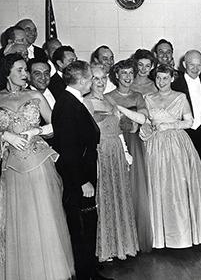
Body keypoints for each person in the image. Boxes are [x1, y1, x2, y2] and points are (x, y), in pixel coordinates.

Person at [117, 64, 201, 248]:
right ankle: (160, 235)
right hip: (155, 146)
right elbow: (145, 121)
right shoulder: (148, 98)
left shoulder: (180, 97)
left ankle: (182, 234)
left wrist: (170, 126)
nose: (161, 82)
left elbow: (190, 122)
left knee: (179, 186)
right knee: (157, 186)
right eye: (158, 78)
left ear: (172, 78)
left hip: (177, 145)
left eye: (165, 78)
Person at [0, 53, 75, 279]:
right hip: (12, 166)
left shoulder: (35, 95)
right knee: (19, 218)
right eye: (20, 70)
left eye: (25, 70)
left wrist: (37, 130)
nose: (25, 75)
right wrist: (5, 135)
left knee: (44, 215)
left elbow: (57, 125)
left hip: (39, 162)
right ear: (7, 72)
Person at [52, 60, 112, 280]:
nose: (93, 82)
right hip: (79, 179)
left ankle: (90, 270)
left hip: (84, 174)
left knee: (87, 225)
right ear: (83, 79)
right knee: (82, 227)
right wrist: (81, 181)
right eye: (91, 78)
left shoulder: (72, 100)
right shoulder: (68, 104)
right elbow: (69, 150)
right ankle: (87, 275)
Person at [84, 65, 139, 262]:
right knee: (104, 197)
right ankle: (106, 247)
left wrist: (125, 153)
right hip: (101, 152)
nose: (100, 82)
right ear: (88, 80)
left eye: (103, 78)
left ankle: (121, 245)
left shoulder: (109, 99)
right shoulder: (85, 102)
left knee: (119, 196)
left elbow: (119, 129)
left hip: (116, 150)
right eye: (95, 78)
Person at [106, 59, 153, 252]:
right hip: (115, 142)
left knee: (136, 187)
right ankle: (120, 240)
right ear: (116, 75)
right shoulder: (107, 96)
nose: (127, 77)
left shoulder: (138, 96)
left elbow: (143, 119)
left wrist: (133, 121)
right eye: (123, 73)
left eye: (130, 73)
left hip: (135, 143)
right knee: (118, 186)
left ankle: (137, 240)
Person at [172, 50, 201, 171]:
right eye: (192, 65)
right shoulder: (176, 85)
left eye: (199, 65)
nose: (195, 69)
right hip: (186, 133)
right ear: (185, 64)